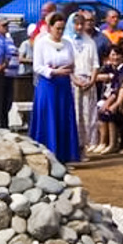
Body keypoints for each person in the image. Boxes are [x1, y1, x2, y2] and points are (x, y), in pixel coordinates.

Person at [30, 12, 80, 163]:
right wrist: (53, 71)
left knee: (63, 118)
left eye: (62, 29)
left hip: (63, 86)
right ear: (50, 27)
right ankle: (46, 153)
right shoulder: (41, 43)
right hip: (48, 85)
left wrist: (68, 68)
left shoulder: (68, 43)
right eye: (57, 28)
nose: (60, 32)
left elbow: (72, 61)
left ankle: (64, 155)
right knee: (48, 118)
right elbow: (37, 67)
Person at [68, 12, 100, 154]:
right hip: (72, 82)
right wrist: (74, 78)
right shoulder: (66, 41)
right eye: (77, 24)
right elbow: (65, 63)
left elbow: (95, 64)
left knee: (87, 117)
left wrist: (92, 80)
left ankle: (83, 148)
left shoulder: (90, 41)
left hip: (88, 82)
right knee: (74, 115)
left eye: (82, 24)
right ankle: (72, 147)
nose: (79, 27)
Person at [94, 45, 123, 155]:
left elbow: (117, 90)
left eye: (117, 55)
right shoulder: (109, 67)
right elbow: (94, 75)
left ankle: (112, 144)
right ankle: (102, 142)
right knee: (98, 109)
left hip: (120, 99)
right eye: (113, 55)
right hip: (107, 97)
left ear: (122, 56)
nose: (115, 57)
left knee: (108, 111)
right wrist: (103, 76)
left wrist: (107, 103)